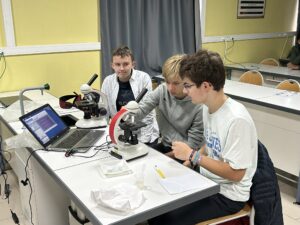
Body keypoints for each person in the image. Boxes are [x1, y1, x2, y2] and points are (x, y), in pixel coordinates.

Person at [148, 49, 258, 225]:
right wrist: (191, 161)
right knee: (155, 205)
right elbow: (211, 144)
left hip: (227, 195)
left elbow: (236, 174)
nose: (185, 91)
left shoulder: (237, 120)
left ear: (206, 86)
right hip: (206, 180)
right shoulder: (208, 108)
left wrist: (193, 155)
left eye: (188, 85)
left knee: (167, 218)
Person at [135, 54, 204, 157]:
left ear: (186, 81)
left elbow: (192, 146)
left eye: (176, 83)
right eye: (167, 82)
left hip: (186, 154)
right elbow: (143, 109)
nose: (170, 88)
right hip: (166, 145)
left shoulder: (199, 105)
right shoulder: (162, 90)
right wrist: (127, 114)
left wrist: (162, 158)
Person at [101, 45, 159, 145]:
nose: (121, 68)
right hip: (120, 131)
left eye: (126, 64)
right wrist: (105, 135)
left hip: (143, 132)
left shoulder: (143, 78)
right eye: (117, 64)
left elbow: (148, 114)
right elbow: (104, 111)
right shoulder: (107, 81)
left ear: (133, 64)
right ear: (112, 65)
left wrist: (144, 142)